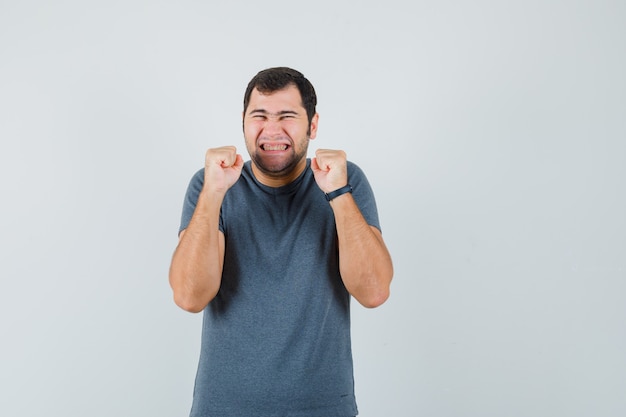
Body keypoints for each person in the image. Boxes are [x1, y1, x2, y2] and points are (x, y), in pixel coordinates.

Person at [169, 67, 393, 417]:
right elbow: (189, 296)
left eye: (287, 116)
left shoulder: (346, 183)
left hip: (323, 409)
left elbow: (374, 291)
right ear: (243, 122)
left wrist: (338, 193)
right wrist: (214, 191)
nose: (272, 130)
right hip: (224, 409)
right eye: (259, 116)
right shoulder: (210, 186)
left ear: (312, 125)